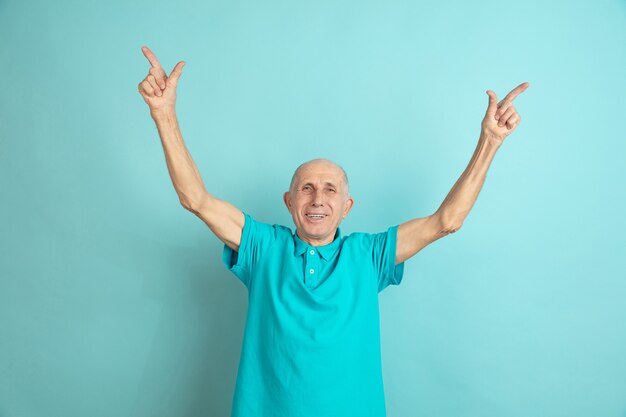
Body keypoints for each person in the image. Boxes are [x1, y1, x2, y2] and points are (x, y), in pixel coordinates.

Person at [137, 45, 528, 417]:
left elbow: (448, 221)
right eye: (306, 188)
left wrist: (489, 142)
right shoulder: (262, 247)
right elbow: (195, 199)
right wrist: (163, 115)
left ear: (346, 207)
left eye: (330, 190)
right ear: (289, 202)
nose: (317, 199)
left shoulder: (369, 255)